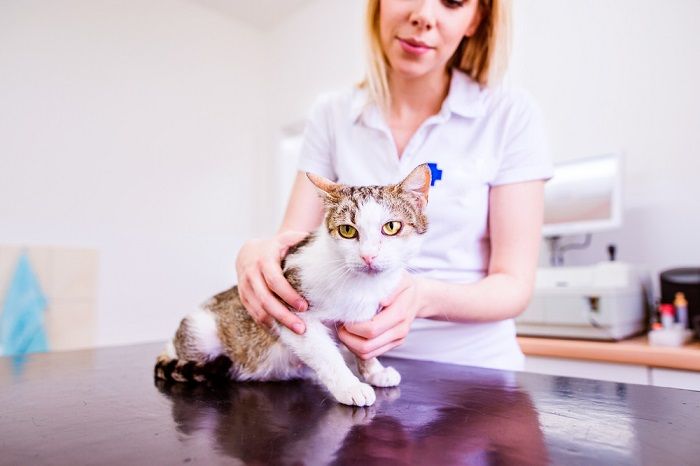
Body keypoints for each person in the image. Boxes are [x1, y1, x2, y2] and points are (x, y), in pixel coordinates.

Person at [235, 0, 553, 371]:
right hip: (349, 367)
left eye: (452, 2)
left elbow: (514, 284)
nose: (424, 16)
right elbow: (295, 238)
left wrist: (424, 298)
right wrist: (258, 255)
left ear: (475, 19)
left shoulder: (510, 114)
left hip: (475, 370)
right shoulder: (332, 114)